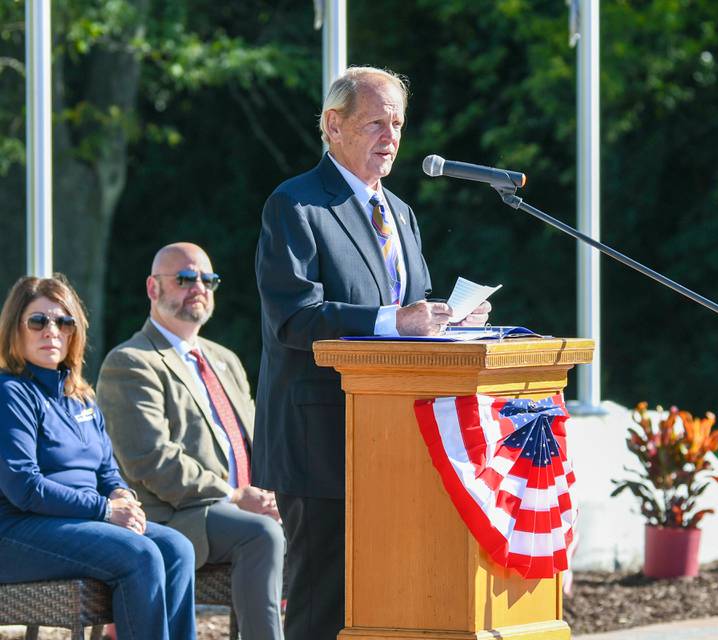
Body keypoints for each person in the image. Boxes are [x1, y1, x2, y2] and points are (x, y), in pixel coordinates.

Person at [254, 66, 491, 640]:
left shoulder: (400, 212)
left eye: (399, 125)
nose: (391, 138)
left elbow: (411, 308)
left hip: (398, 440)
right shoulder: (297, 206)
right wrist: (397, 320)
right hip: (321, 441)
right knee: (322, 602)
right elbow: (294, 317)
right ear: (333, 126)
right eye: (376, 124)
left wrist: (449, 319)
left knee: (391, 598)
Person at [96, 242, 284, 640]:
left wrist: (274, 495)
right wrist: (235, 496)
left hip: (239, 507)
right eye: (184, 279)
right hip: (175, 516)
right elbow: (150, 459)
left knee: (321, 520)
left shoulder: (224, 359)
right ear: (153, 288)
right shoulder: (130, 361)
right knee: (262, 534)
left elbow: (255, 443)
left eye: (207, 279)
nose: (198, 287)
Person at [0, 274, 196, 640]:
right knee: (141, 554)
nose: (51, 331)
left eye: (64, 321)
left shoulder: (81, 397)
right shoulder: (10, 393)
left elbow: (107, 470)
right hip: (16, 531)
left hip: (80, 522)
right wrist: (105, 511)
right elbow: (23, 487)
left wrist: (122, 495)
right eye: (38, 321)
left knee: (176, 548)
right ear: (16, 328)